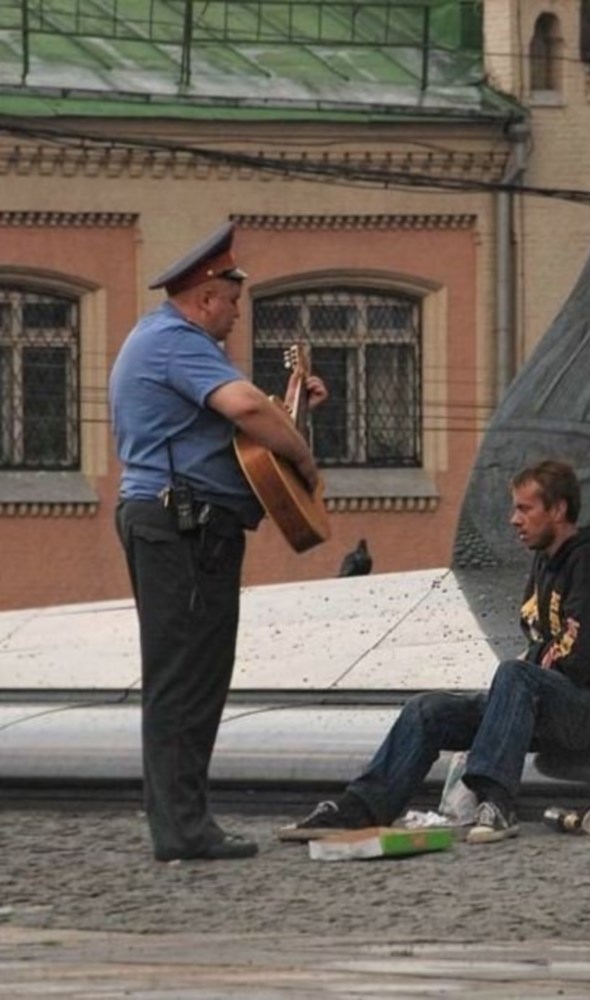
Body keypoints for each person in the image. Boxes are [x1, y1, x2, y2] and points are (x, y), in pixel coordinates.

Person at [110, 220, 327, 862]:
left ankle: (185, 820)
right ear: (206, 296)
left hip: (184, 525)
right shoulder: (177, 341)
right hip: (183, 527)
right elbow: (248, 412)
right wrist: (306, 460)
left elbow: (236, 429)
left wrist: (293, 414)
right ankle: (182, 829)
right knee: (186, 676)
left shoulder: (167, 339)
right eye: (232, 304)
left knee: (194, 673)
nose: (236, 317)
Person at [287, 459, 590, 845]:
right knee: (428, 710)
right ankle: (361, 808)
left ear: (558, 509)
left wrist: (530, 669)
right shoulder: (544, 561)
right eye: (514, 508)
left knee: (513, 674)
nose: (513, 520)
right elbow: (538, 639)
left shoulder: (589, 559)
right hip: (545, 700)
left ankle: (496, 803)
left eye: (525, 508)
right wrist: (526, 677)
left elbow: (583, 658)